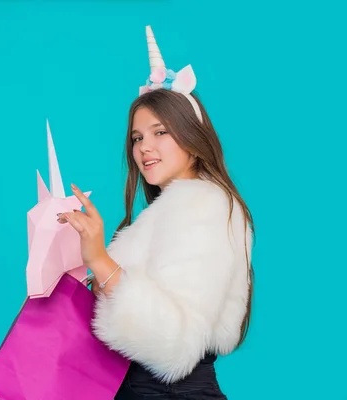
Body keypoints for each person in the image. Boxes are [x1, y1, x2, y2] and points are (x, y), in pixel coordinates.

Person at [57, 26, 254, 399]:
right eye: (137, 137)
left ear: (193, 140)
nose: (145, 147)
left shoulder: (206, 208)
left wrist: (99, 259)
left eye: (160, 132)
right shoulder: (168, 213)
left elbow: (173, 346)